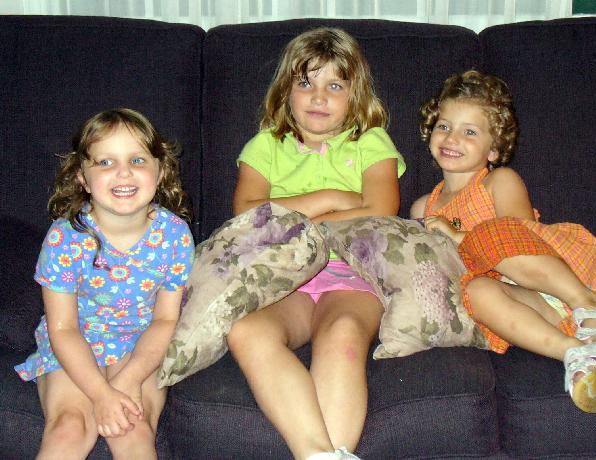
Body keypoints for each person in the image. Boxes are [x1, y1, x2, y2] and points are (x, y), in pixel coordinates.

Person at [228, 27, 405, 460]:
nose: (319, 97)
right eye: (305, 83)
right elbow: (247, 214)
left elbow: (381, 209)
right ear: (286, 92)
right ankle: (319, 454)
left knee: (343, 333)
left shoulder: (371, 142)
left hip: (351, 269)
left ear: (355, 95)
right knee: (247, 330)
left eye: (335, 86)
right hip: (284, 273)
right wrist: (331, 197)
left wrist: (296, 218)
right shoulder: (266, 145)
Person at [410, 70, 596, 414]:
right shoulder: (423, 208)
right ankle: (578, 354)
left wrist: (455, 236)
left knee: (490, 235)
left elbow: (520, 236)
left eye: (470, 132)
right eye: (444, 126)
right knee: (475, 291)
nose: (452, 137)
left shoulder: (499, 180)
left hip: (556, 283)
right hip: (529, 306)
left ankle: (592, 306)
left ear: (493, 150)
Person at [15, 108, 195, 459]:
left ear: (160, 171)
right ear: (82, 177)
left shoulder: (175, 235)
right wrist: (101, 393)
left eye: (137, 160)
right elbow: (63, 329)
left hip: (142, 342)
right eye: (105, 162)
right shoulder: (65, 238)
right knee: (69, 428)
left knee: (134, 431)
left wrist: (127, 381)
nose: (123, 172)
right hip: (76, 339)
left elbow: (165, 320)